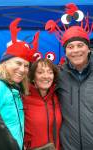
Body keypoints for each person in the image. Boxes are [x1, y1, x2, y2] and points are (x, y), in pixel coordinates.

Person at [0, 18, 41, 150]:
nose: (22, 69)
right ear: (5, 63)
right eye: (18, 63)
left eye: (26, 66)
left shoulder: (13, 88)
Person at [45, 3, 93, 150]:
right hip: (68, 147)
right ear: (65, 52)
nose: (76, 51)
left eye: (80, 45)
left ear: (88, 49)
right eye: (70, 47)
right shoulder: (58, 75)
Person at [23, 58, 62, 150]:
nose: (46, 76)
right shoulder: (23, 97)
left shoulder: (57, 96)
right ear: (33, 77)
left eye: (50, 72)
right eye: (40, 72)